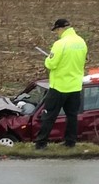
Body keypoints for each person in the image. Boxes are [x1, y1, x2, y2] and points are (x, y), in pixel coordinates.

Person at [35, 19, 88, 150]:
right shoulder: (81, 42)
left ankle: (41, 143)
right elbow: (84, 59)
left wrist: (47, 59)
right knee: (72, 116)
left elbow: (51, 64)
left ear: (60, 29)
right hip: (75, 86)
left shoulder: (60, 44)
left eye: (57, 31)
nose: (57, 33)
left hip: (59, 87)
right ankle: (70, 142)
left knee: (49, 115)